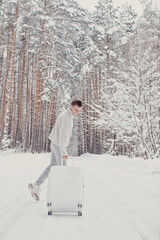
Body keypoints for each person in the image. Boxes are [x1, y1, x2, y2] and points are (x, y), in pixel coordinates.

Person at [28, 97, 83, 201]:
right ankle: (60, 195)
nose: (77, 112)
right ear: (71, 106)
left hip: (55, 144)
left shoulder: (67, 114)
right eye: (76, 110)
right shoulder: (67, 118)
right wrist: (63, 152)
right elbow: (63, 136)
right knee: (61, 170)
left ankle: (36, 184)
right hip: (59, 146)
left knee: (53, 166)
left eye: (79, 111)